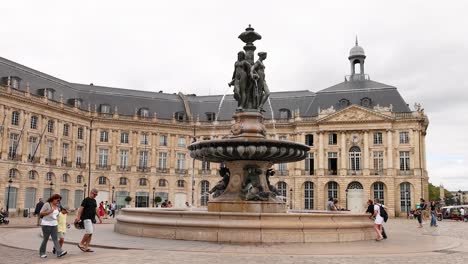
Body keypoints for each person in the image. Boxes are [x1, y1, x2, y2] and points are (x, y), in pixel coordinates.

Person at [38, 194, 67, 258]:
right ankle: (42, 253)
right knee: (46, 239)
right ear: (53, 199)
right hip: (46, 224)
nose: (58, 202)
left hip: (54, 224)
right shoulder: (47, 204)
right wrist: (49, 211)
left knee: (55, 239)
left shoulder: (57, 206)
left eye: (59, 201)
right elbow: (41, 212)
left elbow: (56, 215)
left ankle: (59, 252)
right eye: (58, 200)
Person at [75, 188, 102, 253]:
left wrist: (99, 217)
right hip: (86, 218)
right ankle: (81, 243)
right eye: (94, 194)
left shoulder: (94, 201)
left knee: (90, 233)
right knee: (89, 232)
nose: (95, 196)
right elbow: (80, 209)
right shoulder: (86, 200)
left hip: (92, 219)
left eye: (96, 195)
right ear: (91, 193)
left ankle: (86, 247)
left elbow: (96, 210)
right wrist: (78, 217)